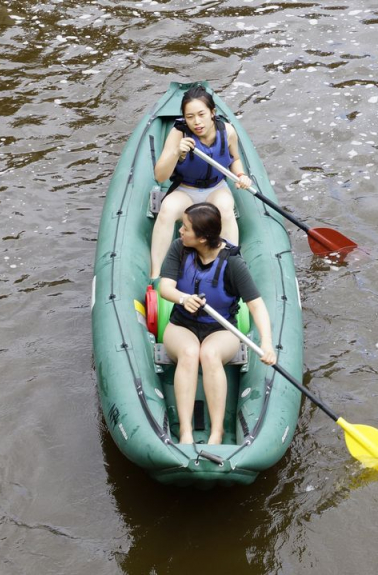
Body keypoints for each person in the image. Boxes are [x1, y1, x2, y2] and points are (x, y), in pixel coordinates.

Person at [159, 203, 276, 445]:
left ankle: (217, 432)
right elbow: (165, 287)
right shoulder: (179, 248)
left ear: (202, 238)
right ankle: (185, 433)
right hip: (182, 325)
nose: (180, 231)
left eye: (186, 228)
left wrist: (267, 343)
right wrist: (183, 298)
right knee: (190, 353)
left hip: (222, 330)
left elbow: (256, 305)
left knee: (210, 354)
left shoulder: (233, 263)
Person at [151, 86, 253, 280]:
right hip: (186, 190)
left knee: (225, 209)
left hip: (216, 188)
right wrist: (176, 152)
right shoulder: (179, 134)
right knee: (166, 209)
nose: (196, 122)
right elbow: (160, 176)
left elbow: (236, 159)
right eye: (190, 117)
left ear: (212, 113)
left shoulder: (227, 131)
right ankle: (156, 275)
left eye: (201, 114)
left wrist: (240, 175)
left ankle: (228, 269)